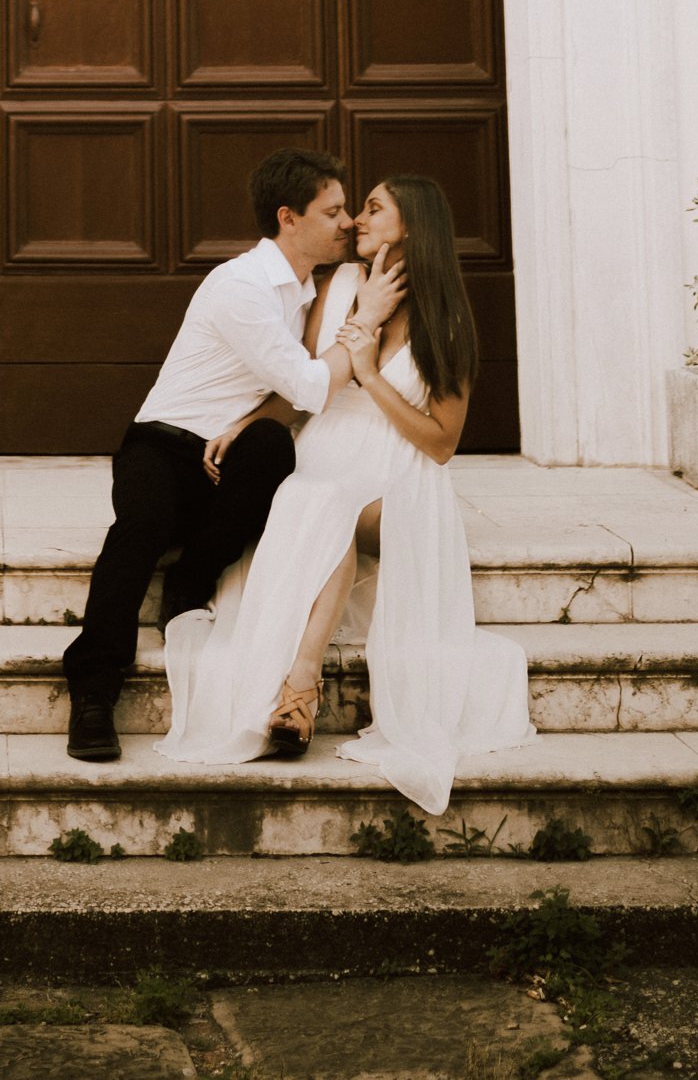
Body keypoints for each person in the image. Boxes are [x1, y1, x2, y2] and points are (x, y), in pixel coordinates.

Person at [157, 173, 533, 814]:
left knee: (327, 502)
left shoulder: (447, 319)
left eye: (373, 208)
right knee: (314, 494)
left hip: (400, 476)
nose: (357, 218)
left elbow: (440, 443)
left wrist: (367, 374)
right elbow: (304, 388)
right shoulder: (340, 288)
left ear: (411, 226)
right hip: (324, 455)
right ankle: (298, 691)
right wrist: (250, 424)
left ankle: (300, 684)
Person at [62, 147, 356, 764]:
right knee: (138, 530)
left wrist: (248, 421)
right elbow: (307, 386)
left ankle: (193, 576)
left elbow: (288, 401)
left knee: (272, 445)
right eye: (333, 211)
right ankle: (93, 694)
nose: (347, 221)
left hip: (225, 458)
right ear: (288, 218)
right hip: (163, 445)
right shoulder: (240, 287)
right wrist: (364, 328)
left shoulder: (310, 292)